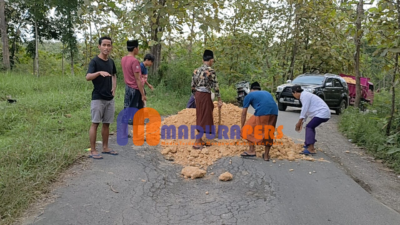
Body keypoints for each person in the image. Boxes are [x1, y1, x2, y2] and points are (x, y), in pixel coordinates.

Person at [86, 36, 118, 159]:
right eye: (104, 45)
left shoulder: (111, 62)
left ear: (111, 47)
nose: (106, 47)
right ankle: (93, 150)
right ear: (99, 46)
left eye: (108, 45)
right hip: (98, 98)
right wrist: (99, 73)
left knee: (107, 124)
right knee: (95, 123)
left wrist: (114, 88)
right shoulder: (94, 62)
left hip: (109, 98)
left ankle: (105, 147)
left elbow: (114, 75)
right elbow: (88, 77)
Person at [191, 49, 223, 149]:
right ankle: (197, 141)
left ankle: (200, 140)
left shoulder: (196, 70)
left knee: (200, 115)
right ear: (210, 60)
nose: (212, 63)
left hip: (198, 94)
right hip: (205, 94)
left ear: (203, 60)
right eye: (212, 61)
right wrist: (219, 99)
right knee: (205, 116)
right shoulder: (210, 71)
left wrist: (195, 96)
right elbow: (215, 86)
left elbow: (192, 85)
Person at [240, 82, 278, 161]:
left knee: (247, 129)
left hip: (263, 112)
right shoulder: (266, 92)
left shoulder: (249, 95)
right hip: (274, 112)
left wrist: (242, 126)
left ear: (251, 90)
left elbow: (244, 113)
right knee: (269, 132)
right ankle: (266, 156)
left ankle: (251, 150)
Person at [291, 85, 331, 155]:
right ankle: (308, 144)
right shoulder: (305, 95)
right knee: (311, 126)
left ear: (295, 92)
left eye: (293, 94)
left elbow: (304, 109)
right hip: (322, 113)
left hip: (322, 113)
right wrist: (302, 122)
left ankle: (311, 149)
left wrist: (299, 122)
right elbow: (306, 111)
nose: (294, 96)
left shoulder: (304, 96)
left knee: (309, 127)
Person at [120, 40, 146, 138]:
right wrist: (142, 94)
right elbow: (138, 79)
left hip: (127, 88)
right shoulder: (135, 61)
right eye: (138, 48)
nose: (138, 49)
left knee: (127, 109)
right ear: (135, 48)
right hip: (135, 89)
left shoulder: (123, 59)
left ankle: (123, 132)